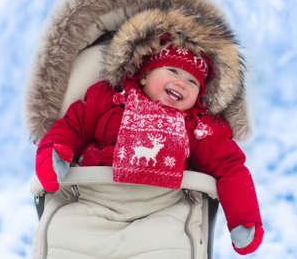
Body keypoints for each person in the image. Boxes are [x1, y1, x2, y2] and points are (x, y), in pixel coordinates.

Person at [35, 32, 264, 255]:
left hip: (162, 207)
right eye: (173, 70)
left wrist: (243, 218)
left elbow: (229, 166)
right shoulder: (108, 100)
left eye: (192, 81)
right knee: (65, 234)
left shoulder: (198, 127)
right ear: (144, 75)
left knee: (170, 243)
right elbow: (73, 125)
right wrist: (55, 153)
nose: (181, 82)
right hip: (94, 198)